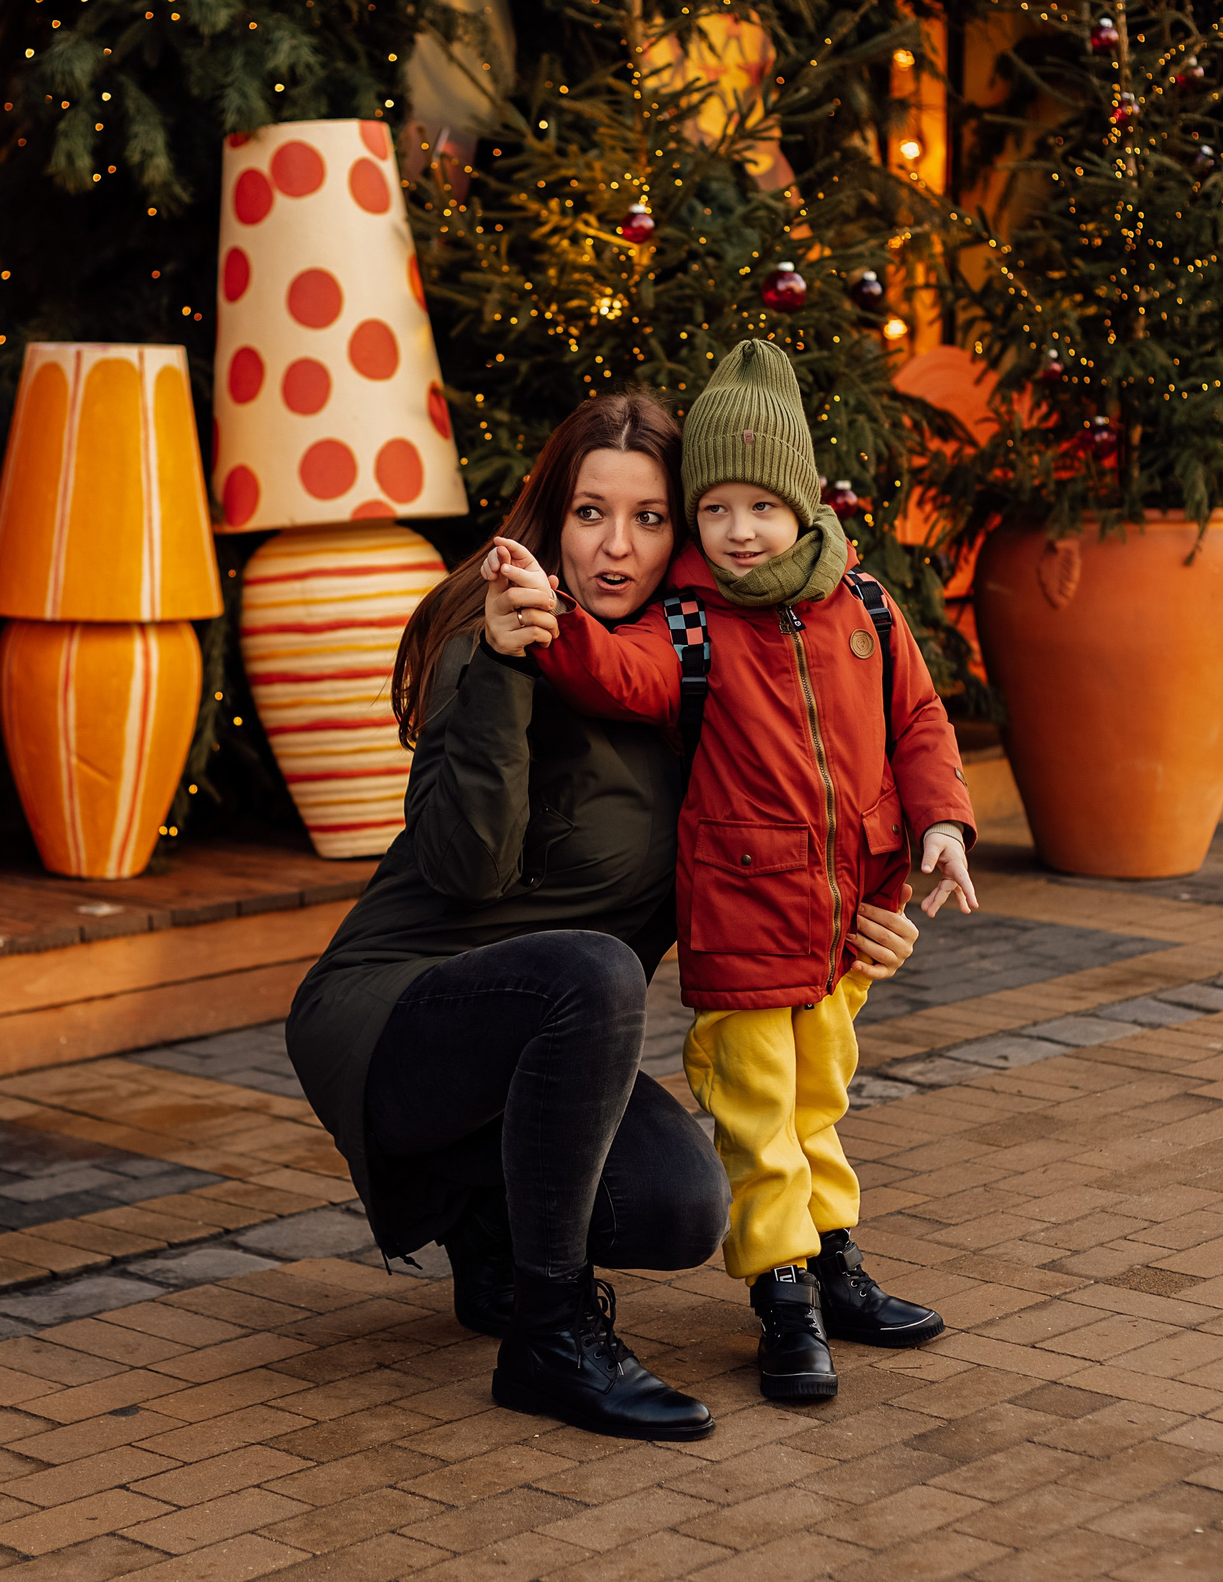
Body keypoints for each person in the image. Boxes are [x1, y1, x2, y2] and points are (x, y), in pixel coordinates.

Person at [286, 388, 927, 1444]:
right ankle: (551, 1336)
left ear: (687, 531)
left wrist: (865, 911)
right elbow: (467, 868)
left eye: (646, 517)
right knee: (592, 972)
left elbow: (796, 821)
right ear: (552, 520)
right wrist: (498, 667)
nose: (615, 549)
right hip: (400, 1012)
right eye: (590, 514)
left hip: (542, 1044)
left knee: (676, 1208)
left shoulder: (700, 667)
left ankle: (489, 1233)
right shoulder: (495, 648)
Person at [482, 340, 978, 1404]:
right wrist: (548, 619)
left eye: (760, 505)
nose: (739, 530)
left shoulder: (869, 609)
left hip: (847, 919)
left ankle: (836, 1260)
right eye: (714, 511)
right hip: (745, 919)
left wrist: (941, 825)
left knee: (820, 1099)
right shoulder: (693, 624)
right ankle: (782, 1299)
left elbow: (921, 724)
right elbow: (618, 672)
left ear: (803, 503)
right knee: (757, 1114)